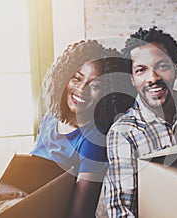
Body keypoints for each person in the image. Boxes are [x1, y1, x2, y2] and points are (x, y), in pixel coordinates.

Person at [104, 26, 177, 217]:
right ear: (132, 79)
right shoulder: (124, 133)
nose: (153, 78)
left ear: (175, 68)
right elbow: (121, 211)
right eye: (141, 70)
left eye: (162, 66)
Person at [30, 40, 134, 218]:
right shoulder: (50, 118)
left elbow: (80, 213)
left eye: (95, 85)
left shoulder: (93, 142)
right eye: (77, 78)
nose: (81, 89)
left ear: (106, 94)